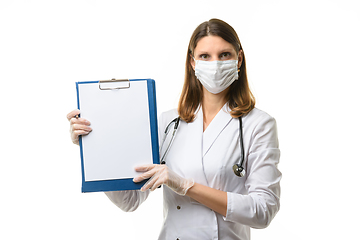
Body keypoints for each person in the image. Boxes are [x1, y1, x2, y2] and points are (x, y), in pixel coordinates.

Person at [67, 18, 281, 240]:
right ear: (192, 62)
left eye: (224, 54)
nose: (215, 64)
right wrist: (94, 145)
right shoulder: (168, 123)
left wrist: (186, 186)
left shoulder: (259, 124)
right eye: (205, 56)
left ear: (239, 59)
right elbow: (129, 201)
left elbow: (263, 210)